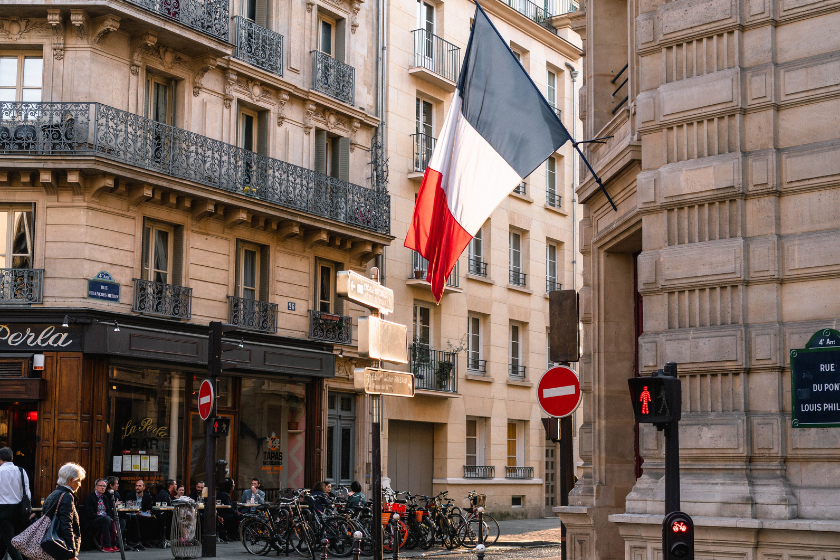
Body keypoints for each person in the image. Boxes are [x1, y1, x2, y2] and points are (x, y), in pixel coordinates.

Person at [42, 463, 85, 560]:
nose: (80, 484)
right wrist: (72, 553)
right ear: (70, 480)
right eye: (79, 480)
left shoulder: (54, 493)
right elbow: (66, 524)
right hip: (61, 546)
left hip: (53, 545)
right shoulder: (67, 496)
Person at [0, 447, 30, 560]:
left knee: (10, 542)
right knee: (11, 539)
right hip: (19, 509)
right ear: (12, 458)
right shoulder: (21, 471)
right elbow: (27, 493)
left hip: (3, 509)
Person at [83, 478, 118, 552]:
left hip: (105, 519)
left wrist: (110, 517)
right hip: (92, 521)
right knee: (106, 519)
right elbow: (89, 514)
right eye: (100, 486)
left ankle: (114, 544)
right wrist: (103, 517)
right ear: (96, 487)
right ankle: (106, 545)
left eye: (104, 486)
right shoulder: (90, 497)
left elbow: (108, 510)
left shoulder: (104, 497)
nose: (102, 488)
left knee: (120, 521)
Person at [122, 479, 153, 550]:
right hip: (133, 514)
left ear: (143, 488)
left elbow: (149, 508)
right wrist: (135, 512)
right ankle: (137, 540)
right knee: (136, 519)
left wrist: (148, 511)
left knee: (152, 519)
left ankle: (146, 540)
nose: (137, 487)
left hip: (142, 514)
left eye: (139, 486)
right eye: (136, 486)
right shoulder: (130, 495)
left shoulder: (147, 496)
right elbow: (126, 507)